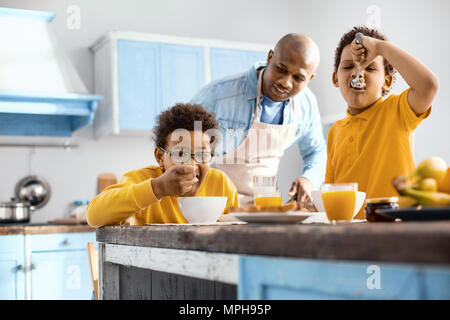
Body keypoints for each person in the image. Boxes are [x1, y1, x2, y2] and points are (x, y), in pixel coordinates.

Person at [191, 33, 326, 209]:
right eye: (281, 69)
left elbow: (316, 150)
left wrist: (309, 179)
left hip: (266, 208)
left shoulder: (307, 104)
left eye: (298, 78)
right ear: (270, 58)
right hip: (215, 206)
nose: (286, 83)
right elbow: (182, 146)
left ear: (310, 78)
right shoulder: (218, 94)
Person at [327, 26, 439, 218]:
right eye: (347, 67)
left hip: (397, 228)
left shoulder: (398, 111)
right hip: (351, 235)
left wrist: (380, 47)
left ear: (387, 81)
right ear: (335, 78)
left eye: (369, 67)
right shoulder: (335, 131)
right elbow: (331, 190)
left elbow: (428, 86)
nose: (358, 73)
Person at [86, 103, 239, 226]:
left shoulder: (221, 184)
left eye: (202, 154)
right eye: (181, 154)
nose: (191, 165)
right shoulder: (142, 180)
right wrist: (158, 188)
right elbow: (94, 216)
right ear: (160, 156)